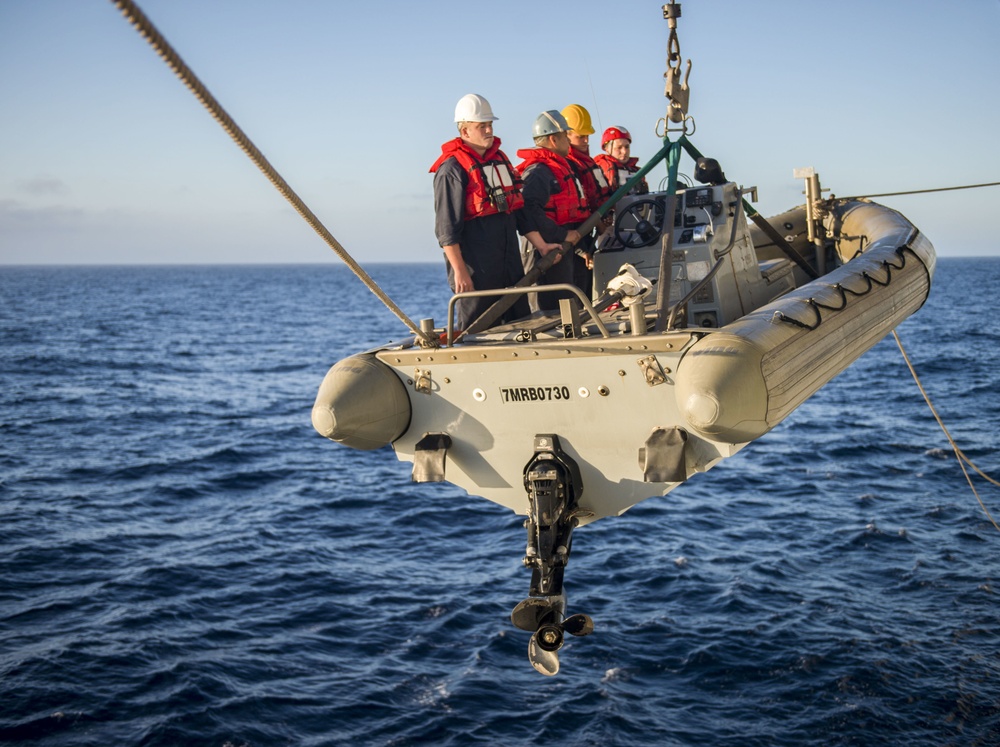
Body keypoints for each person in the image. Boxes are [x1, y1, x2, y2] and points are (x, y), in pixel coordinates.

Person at [430, 94, 558, 331]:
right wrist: (460, 273)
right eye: (482, 126)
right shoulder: (452, 170)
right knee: (475, 332)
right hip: (477, 273)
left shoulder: (499, 162)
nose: (489, 130)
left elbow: (519, 211)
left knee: (521, 326)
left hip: (510, 267)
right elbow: (446, 229)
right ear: (464, 131)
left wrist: (541, 246)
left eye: (490, 125)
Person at [515, 110, 591, 313]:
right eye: (566, 135)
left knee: (570, 303)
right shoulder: (539, 172)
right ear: (553, 139)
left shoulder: (559, 168)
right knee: (551, 308)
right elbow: (529, 211)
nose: (569, 140)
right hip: (546, 249)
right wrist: (563, 235)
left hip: (562, 246)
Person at [561, 104, 612, 296]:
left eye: (587, 136)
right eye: (580, 136)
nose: (585, 140)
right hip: (578, 235)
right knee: (578, 290)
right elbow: (584, 201)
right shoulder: (570, 165)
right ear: (566, 136)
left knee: (588, 289)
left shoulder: (586, 161)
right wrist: (598, 224)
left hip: (592, 231)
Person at [594, 126, 648, 196]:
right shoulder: (598, 169)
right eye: (619, 148)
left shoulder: (637, 171)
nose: (624, 151)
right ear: (607, 149)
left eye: (627, 147)